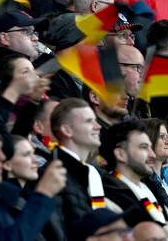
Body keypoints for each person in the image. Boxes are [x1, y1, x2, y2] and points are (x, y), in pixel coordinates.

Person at [100, 121, 168, 235]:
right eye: (144, 147)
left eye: (150, 147)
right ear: (120, 154)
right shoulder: (111, 199)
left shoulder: (152, 190)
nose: (152, 154)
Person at [49, 98, 108, 236]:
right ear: (67, 130)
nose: (98, 126)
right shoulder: (53, 175)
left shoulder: (92, 172)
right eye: (88, 121)